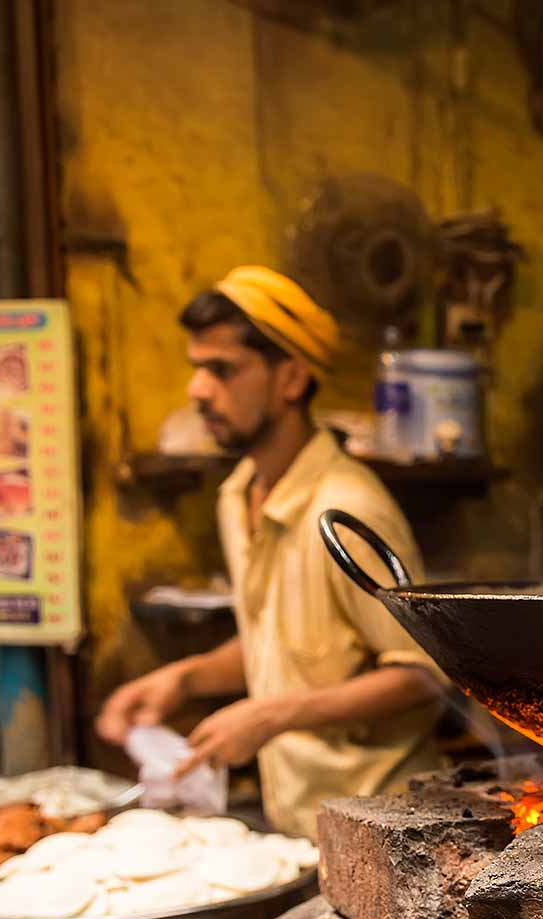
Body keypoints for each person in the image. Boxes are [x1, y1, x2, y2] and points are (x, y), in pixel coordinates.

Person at [96, 267, 444, 836]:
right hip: (297, 824)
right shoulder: (237, 497)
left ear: (290, 378)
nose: (197, 390)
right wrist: (185, 679)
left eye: (222, 370)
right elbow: (286, 642)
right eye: (197, 369)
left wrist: (270, 715)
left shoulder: (348, 510)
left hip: (384, 831)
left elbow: (422, 675)